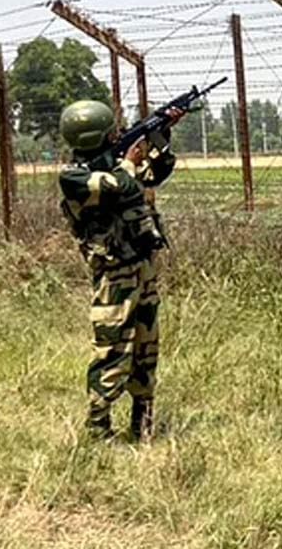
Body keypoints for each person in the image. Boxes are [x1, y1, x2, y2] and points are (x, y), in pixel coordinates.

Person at [58, 100, 185, 441]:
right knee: (113, 351)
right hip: (114, 276)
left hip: (142, 268)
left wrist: (161, 134)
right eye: (112, 130)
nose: (117, 133)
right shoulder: (75, 178)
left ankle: (142, 424)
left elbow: (156, 174)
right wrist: (129, 161)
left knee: (146, 348)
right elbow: (123, 187)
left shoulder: (115, 165)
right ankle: (97, 430)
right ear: (100, 134)